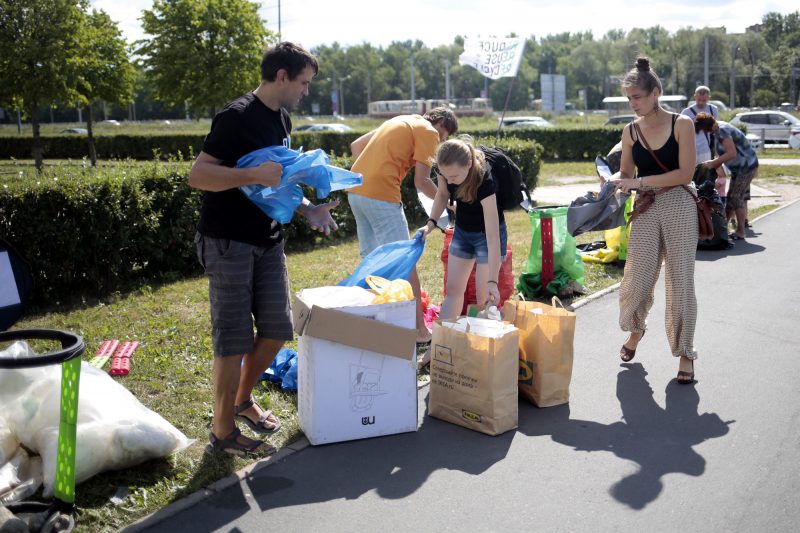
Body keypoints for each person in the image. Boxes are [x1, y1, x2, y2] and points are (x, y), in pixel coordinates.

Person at [189, 42, 339, 456]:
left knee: (277, 327)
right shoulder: (235, 117)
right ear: (281, 77)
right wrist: (251, 172)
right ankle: (221, 433)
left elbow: (279, 181)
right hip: (228, 240)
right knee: (233, 339)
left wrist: (309, 209)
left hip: (268, 239)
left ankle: (240, 399)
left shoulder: (282, 117)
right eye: (304, 83)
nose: (306, 91)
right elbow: (198, 175)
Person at [609, 57, 698, 384]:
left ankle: (686, 351)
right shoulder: (630, 130)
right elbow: (627, 172)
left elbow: (686, 173)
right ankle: (635, 331)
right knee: (636, 275)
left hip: (678, 202)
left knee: (680, 280)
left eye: (637, 97)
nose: (632, 104)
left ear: (655, 92)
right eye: (629, 98)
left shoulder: (682, 124)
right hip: (645, 205)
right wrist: (613, 181)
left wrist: (639, 183)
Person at [347, 107, 458, 345]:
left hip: (356, 192)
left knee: (373, 260)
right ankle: (419, 330)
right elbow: (422, 181)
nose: (440, 143)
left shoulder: (400, 120)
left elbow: (356, 146)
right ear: (439, 123)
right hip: (381, 194)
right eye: (444, 137)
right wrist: (449, 203)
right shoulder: (428, 131)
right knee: (405, 260)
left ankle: (377, 321)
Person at [416, 137, 506, 367]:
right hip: (463, 232)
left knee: (484, 296)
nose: (450, 180)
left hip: (488, 236)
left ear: (468, 164)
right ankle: (439, 347)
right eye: (446, 176)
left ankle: (486, 358)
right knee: (454, 290)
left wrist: (494, 280)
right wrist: (430, 223)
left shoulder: (485, 181)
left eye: (454, 176)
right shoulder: (445, 171)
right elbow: (442, 195)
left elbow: (494, 237)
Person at [693, 113, 759, 241]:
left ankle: (740, 231)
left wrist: (714, 163)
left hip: (745, 167)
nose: (704, 132)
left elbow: (731, 153)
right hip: (740, 168)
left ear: (707, 127)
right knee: (732, 198)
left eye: (704, 130)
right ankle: (722, 230)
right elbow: (722, 153)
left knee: (736, 198)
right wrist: (714, 162)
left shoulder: (722, 130)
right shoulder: (718, 129)